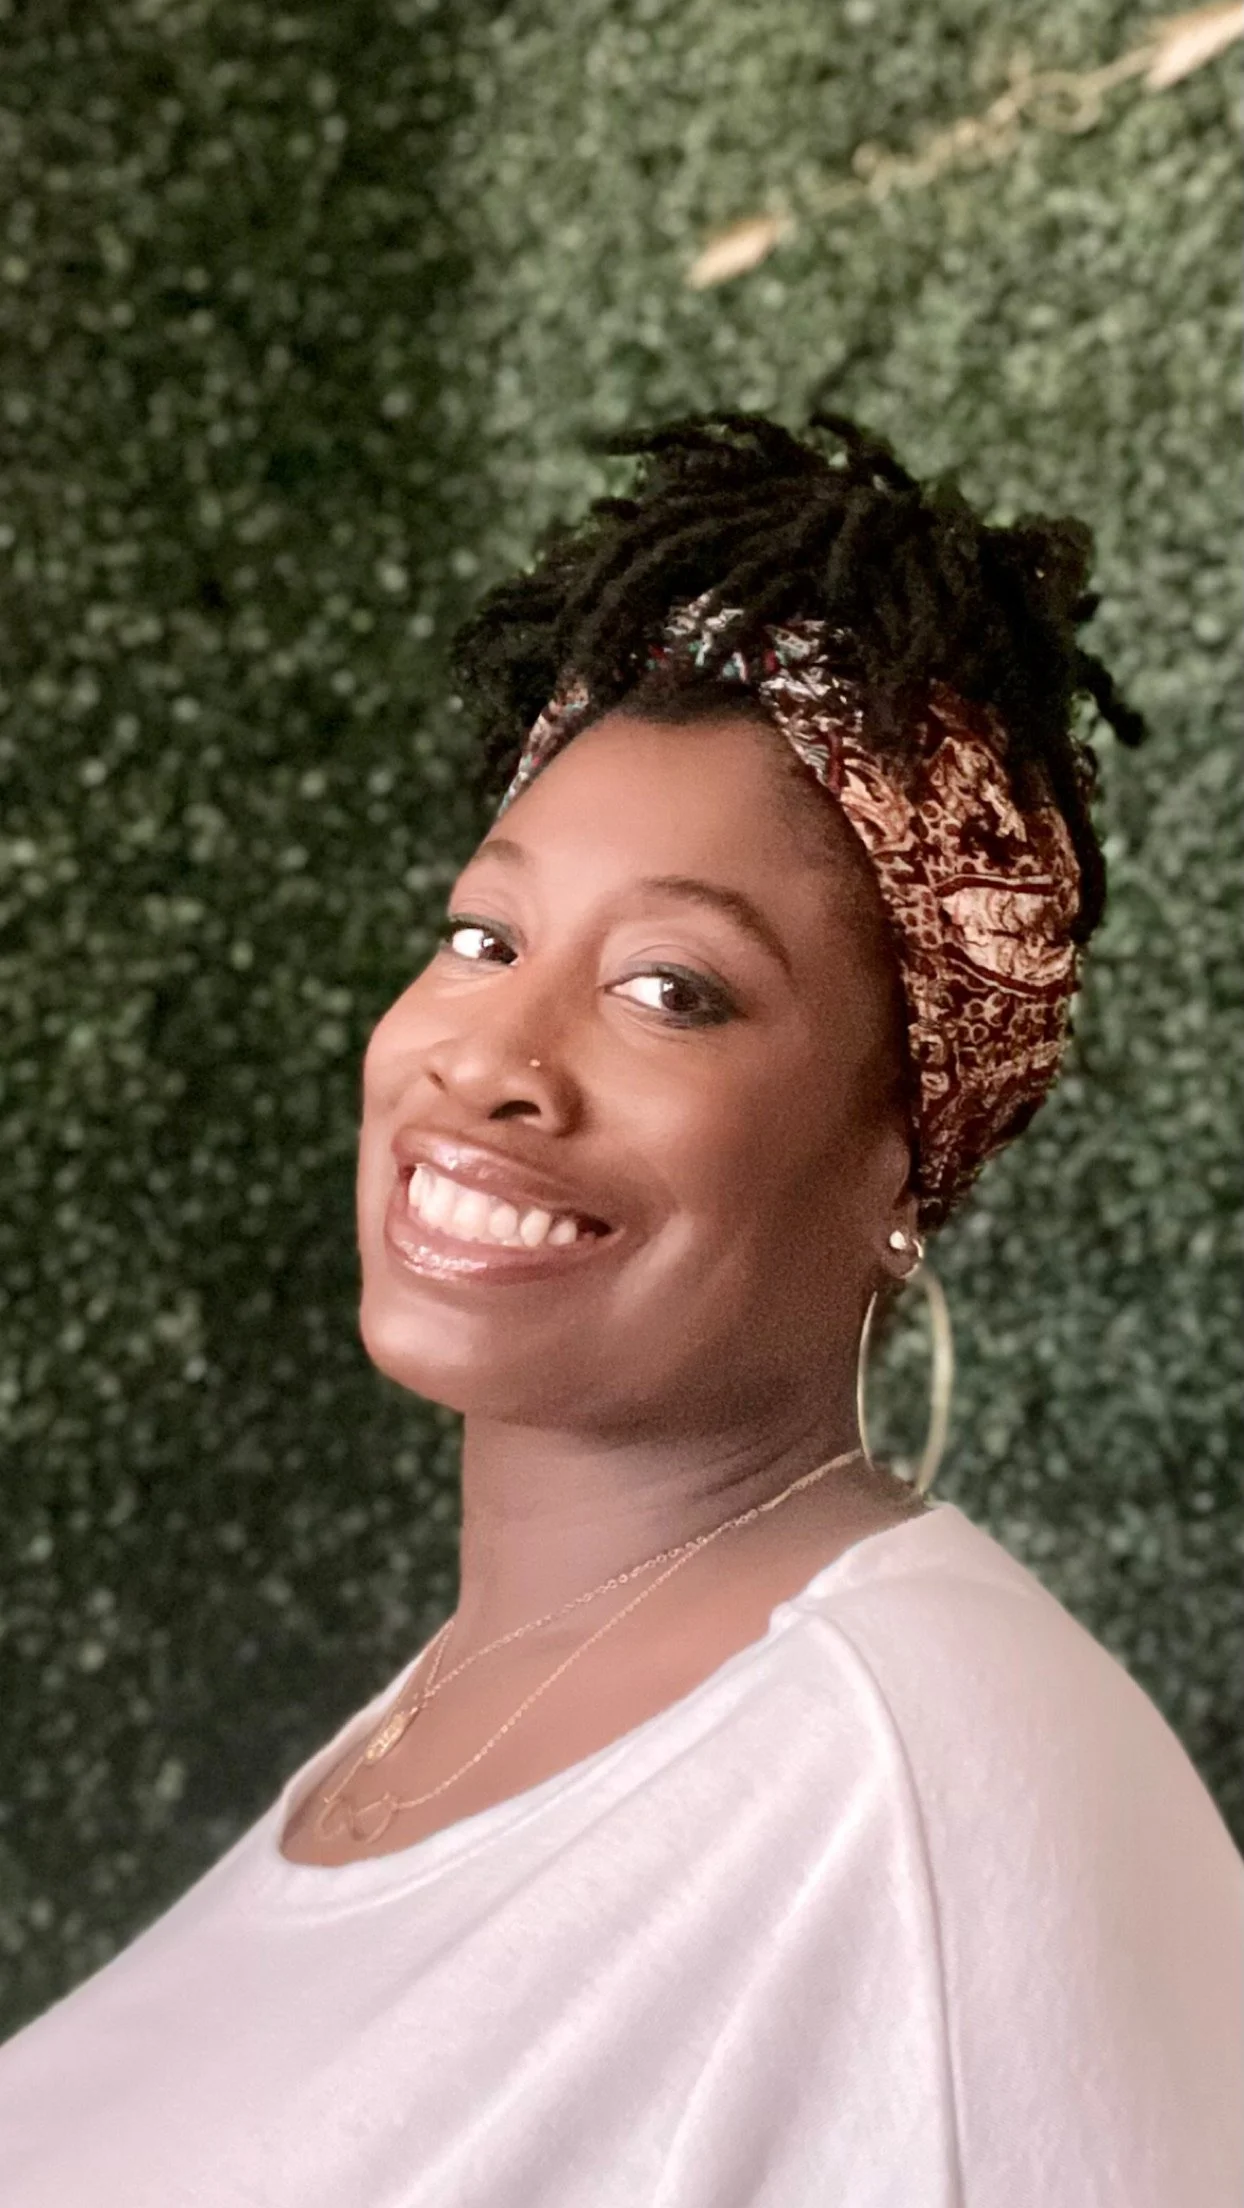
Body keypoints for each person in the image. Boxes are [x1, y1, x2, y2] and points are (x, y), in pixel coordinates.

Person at [0, 412, 1239, 2205]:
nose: (489, 1058)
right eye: (485, 938)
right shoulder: (463, 1700)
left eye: (673, 988)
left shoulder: (929, 1798)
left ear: (906, 1150)